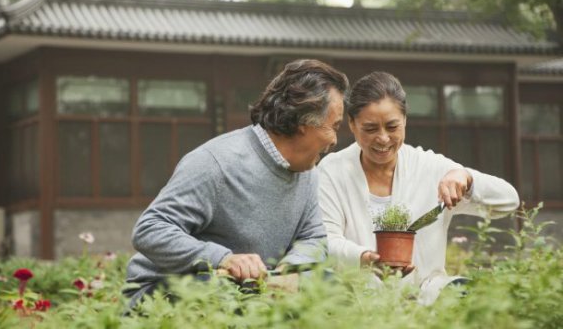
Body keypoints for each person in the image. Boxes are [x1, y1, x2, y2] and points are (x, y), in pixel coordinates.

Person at [124, 59, 349, 307]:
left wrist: (290, 270)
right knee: (229, 292)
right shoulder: (216, 162)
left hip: (254, 288)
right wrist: (224, 259)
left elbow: (313, 237)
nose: (335, 140)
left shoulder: (307, 172)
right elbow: (150, 229)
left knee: (331, 286)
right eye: (334, 127)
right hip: (165, 290)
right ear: (304, 122)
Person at [317, 71, 519, 304]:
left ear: (405, 120)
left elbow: (509, 200)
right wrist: (365, 258)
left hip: (426, 293)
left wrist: (467, 178)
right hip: (358, 294)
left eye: (392, 127)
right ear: (352, 124)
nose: (383, 138)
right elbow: (326, 241)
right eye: (370, 129)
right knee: (325, 284)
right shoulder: (333, 170)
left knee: (469, 294)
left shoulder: (430, 168)